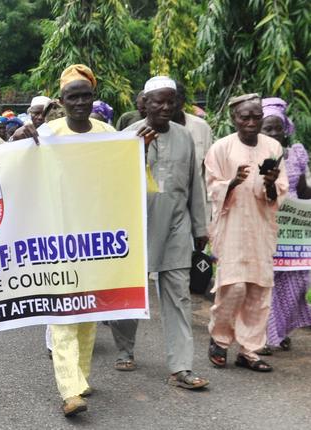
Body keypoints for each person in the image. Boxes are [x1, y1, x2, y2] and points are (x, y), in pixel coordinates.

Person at [111, 76, 209, 390]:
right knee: (130, 293)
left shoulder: (184, 137)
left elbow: (194, 183)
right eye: (158, 101)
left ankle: (181, 367)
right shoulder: (127, 136)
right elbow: (115, 184)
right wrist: (139, 151)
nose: (165, 107)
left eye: (171, 101)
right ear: (145, 103)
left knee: (179, 296)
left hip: (176, 227)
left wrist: (200, 227)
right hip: (136, 227)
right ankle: (125, 349)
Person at [37, 65, 115, 417]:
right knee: (63, 314)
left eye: (86, 95)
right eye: (73, 96)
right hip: (57, 239)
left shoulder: (108, 132)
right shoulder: (47, 133)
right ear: (61, 101)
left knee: (88, 314)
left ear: (93, 98)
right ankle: (69, 390)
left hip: (96, 240)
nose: (81, 101)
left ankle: (81, 379)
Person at [206, 94, 288, 372]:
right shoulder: (221, 148)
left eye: (256, 117)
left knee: (257, 288)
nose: (251, 122)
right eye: (245, 117)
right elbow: (211, 187)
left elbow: (280, 192)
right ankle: (219, 338)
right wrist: (231, 182)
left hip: (261, 227)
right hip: (231, 227)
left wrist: (270, 184)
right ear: (234, 119)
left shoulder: (273, 146)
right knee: (234, 286)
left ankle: (250, 350)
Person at [260, 97, 311, 354]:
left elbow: (303, 191)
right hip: (265, 225)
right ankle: (267, 335)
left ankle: (281, 329)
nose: (272, 133)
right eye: (266, 128)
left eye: (276, 128)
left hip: (294, 231)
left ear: (285, 129)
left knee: (297, 279)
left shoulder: (297, 153)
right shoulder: (255, 156)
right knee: (267, 281)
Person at [171, 83, 215, 221]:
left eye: (173, 99)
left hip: (195, 207)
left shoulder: (201, 127)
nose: (168, 105)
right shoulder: (140, 130)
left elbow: (209, 172)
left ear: (183, 100)